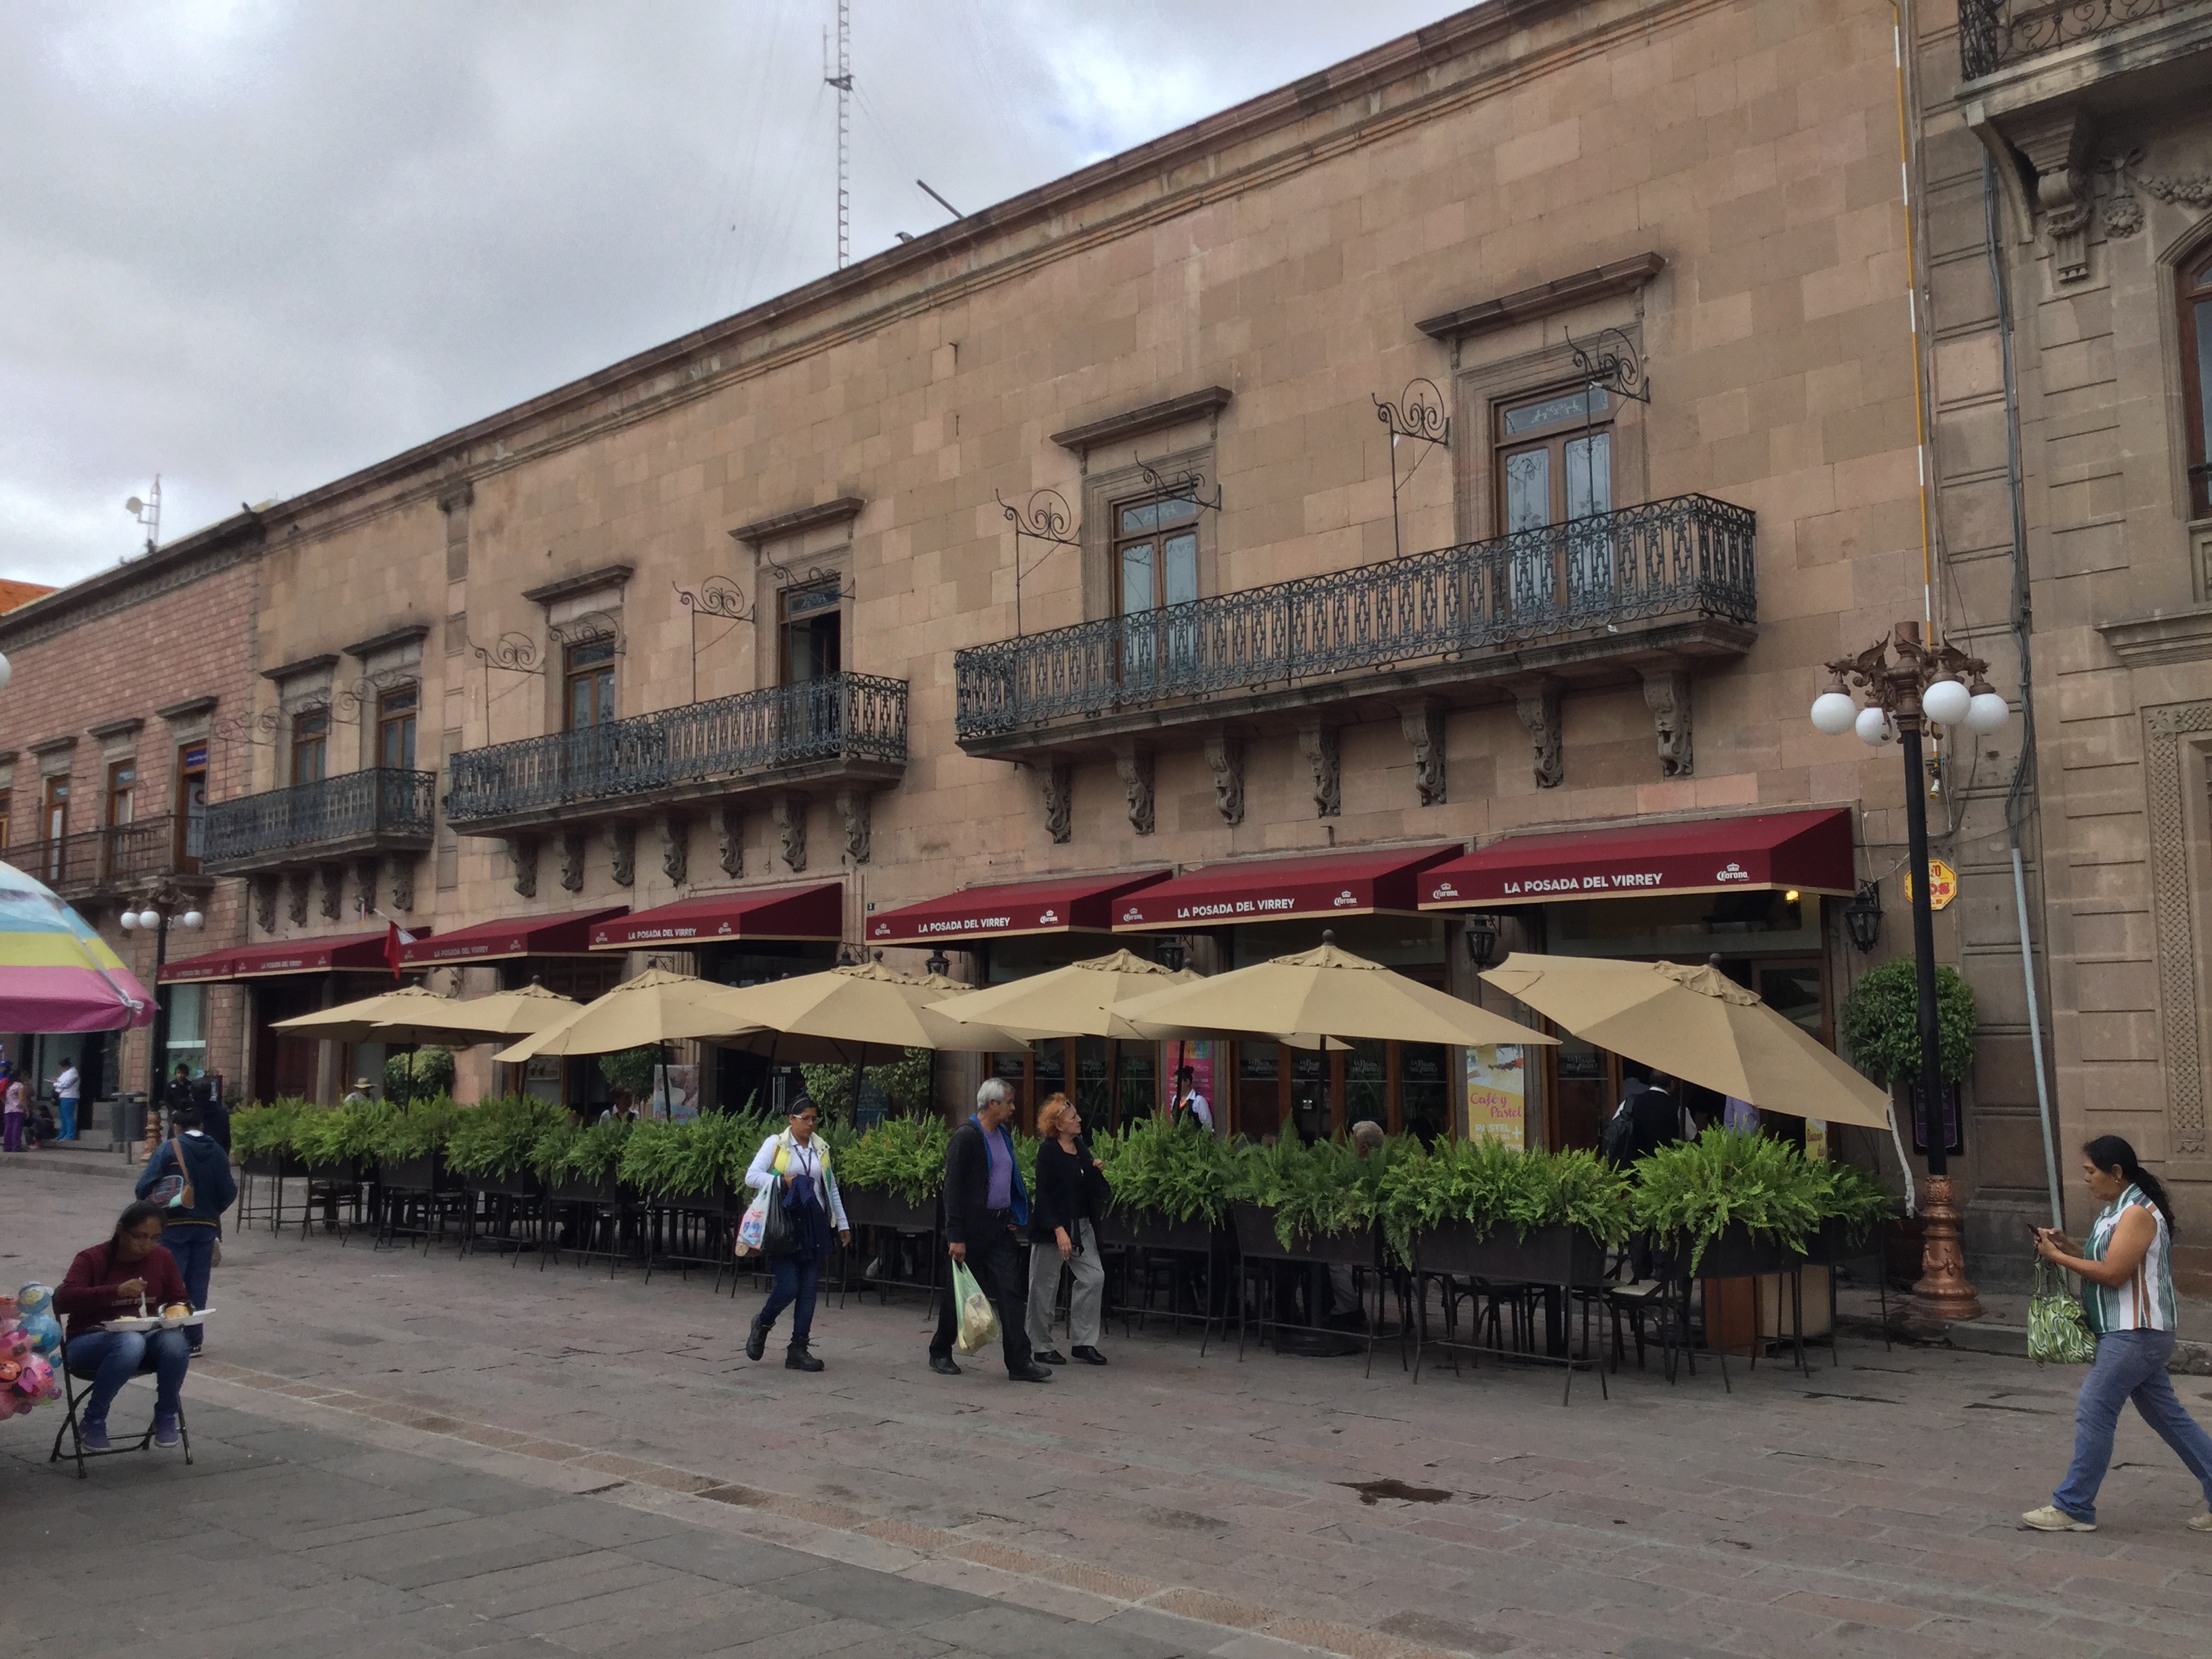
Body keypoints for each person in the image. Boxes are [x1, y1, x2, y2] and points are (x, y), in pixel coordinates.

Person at [2022, 1136, 2212, 1534]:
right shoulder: (2117, 1210)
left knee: (2095, 1408)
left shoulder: (2137, 1214)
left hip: (2136, 1331)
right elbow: (2103, 1259)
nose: (2087, 1180)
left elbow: (2112, 1274)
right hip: (2132, 1332)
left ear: (2116, 1173)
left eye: (2091, 1172)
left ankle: (2073, 1506)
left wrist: (2058, 1258)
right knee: (2170, 1419)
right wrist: (2066, 1245)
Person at [930, 1078, 1050, 1381]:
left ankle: (1019, 1362)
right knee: (958, 1295)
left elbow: (1006, 1176)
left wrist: (1012, 1210)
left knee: (1011, 1291)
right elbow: (952, 1190)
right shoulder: (966, 1137)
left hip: (999, 1227)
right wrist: (955, 1236)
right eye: (1008, 1102)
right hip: (970, 1230)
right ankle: (940, 1350)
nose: (1013, 1108)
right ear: (992, 1104)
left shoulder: (1003, 1135)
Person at [53, 1200, 194, 1450]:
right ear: (121, 1230)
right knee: (130, 1342)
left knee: (176, 1343)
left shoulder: (162, 1258)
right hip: (89, 1341)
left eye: (155, 1238)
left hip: (144, 1336)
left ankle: (165, 1414)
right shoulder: (91, 1258)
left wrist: (177, 1311)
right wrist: (115, 1291)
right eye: (139, 1237)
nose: (146, 1246)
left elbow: (179, 1297)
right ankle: (94, 1418)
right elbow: (64, 1299)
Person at [741, 1095, 850, 1372]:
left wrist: (843, 1222)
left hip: (813, 1223)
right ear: (791, 1119)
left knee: (810, 1290)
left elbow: (830, 1186)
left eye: (815, 1119)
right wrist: (782, 1181)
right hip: (783, 1223)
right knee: (789, 1285)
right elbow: (752, 1176)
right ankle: (763, 1322)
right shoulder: (776, 1144)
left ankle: (798, 1348)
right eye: (806, 1119)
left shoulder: (820, 1148)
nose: (811, 1124)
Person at [134, 1103, 237, 1356]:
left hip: (173, 1224)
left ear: (176, 1127)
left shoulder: (170, 1148)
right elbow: (230, 1192)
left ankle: (166, 1337)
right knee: (198, 1284)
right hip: (206, 1227)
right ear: (201, 1126)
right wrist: (212, 1210)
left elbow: (143, 1186)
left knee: (169, 1282)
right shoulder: (218, 1152)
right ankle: (193, 1340)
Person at [1026, 1094, 1109, 1366]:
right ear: (1059, 1125)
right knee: (1044, 1286)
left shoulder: (1081, 1147)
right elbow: (1044, 1196)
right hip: (1052, 1226)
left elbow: (1096, 1193)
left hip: (1081, 1226)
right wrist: (1058, 1230)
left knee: (1094, 1277)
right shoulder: (1048, 1152)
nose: (1079, 1120)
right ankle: (1040, 1345)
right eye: (1073, 1117)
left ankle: (1083, 1342)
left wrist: (1096, 1171)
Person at [1168, 1065, 1212, 1132]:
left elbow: (1207, 1126)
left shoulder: (1198, 1100)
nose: (1176, 1086)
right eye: (1175, 1084)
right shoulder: (1175, 1099)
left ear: (1188, 1082)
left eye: (1178, 1083)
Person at [54, 1060, 81, 1143]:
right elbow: (63, 1081)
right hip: (64, 1096)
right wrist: (57, 1079)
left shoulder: (73, 1073)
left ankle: (69, 1135)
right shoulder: (67, 1073)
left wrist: (56, 1084)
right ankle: (63, 1134)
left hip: (69, 1096)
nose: (61, 1069)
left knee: (68, 1117)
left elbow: (66, 1084)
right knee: (63, 1117)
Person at [2, 1070, 24, 1152]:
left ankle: (7, 1146)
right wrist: (27, 1109)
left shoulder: (8, 1086)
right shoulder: (19, 1085)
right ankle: (16, 1146)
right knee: (16, 1128)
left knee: (8, 1128)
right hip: (17, 1109)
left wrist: (6, 1103)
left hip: (8, 1109)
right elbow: (22, 1099)